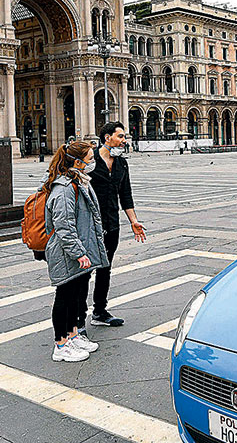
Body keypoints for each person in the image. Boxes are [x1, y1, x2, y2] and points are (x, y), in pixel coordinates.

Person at [42, 140, 109, 362]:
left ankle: (72, 335)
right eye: (90, 160)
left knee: (75, 296)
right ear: (78, 163)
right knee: (64, 295)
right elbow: (64, 225)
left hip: (77, 248)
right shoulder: (63, 189)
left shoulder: (78, 182)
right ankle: (60, 345)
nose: (93, 163)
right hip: (65, 251)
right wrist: (78, 253)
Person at [86, 122, 146, 331]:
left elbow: (125, 194)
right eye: (120, 136)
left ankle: (99, 311)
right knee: (84, 271)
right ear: (107, 138)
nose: (124, 140)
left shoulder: (121, 164)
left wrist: (133, 221)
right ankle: (76, 320)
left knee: (105, 268)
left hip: (112, 224)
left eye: (124, 137)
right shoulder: (89, 160)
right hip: (90, 225)